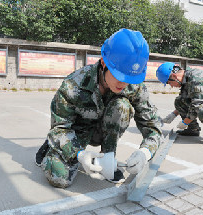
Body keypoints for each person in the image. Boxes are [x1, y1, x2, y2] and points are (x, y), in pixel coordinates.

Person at [35, 28, 163, 188]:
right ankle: (50, 147)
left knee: (122, 105)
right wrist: (80, 155)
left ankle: (107, 157)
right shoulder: (73, 85)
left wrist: (145, 153)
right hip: (75, 135)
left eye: (129, 78)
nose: (124, 84)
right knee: (59, 177)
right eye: (119, 76)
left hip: (102, 133)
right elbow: (59, 128)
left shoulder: (134, 86)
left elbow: (153, 128)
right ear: (104, 63)